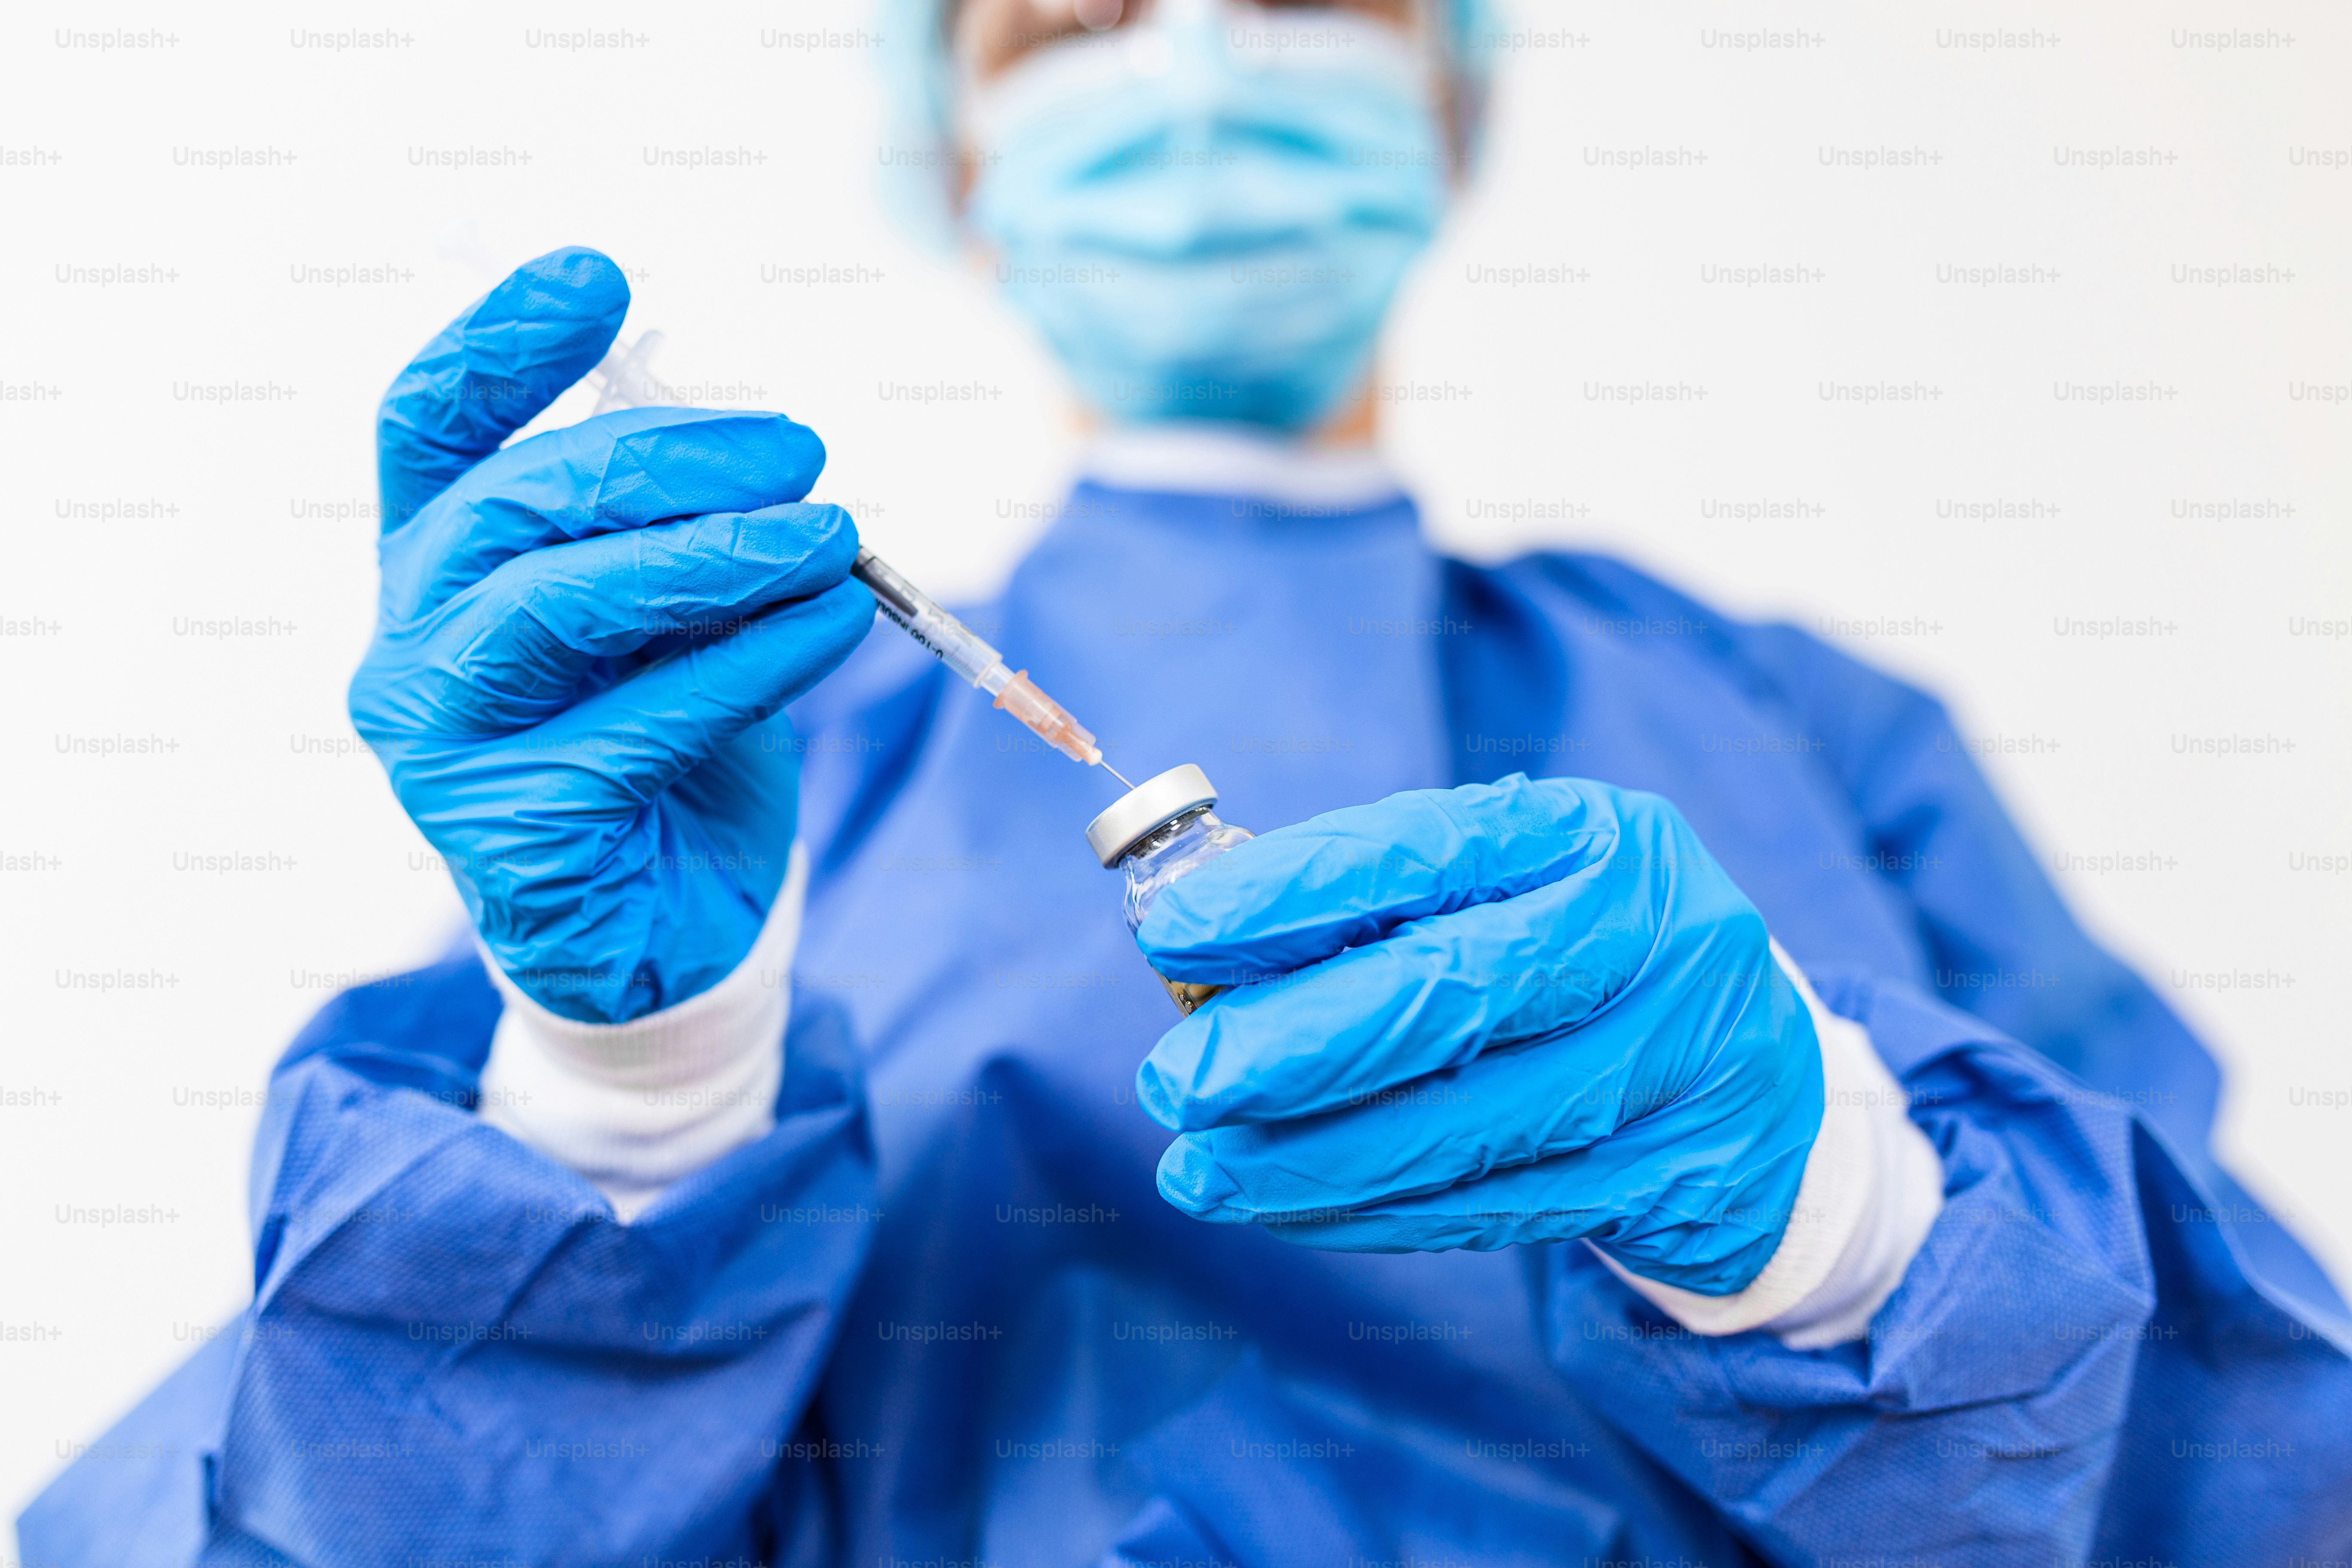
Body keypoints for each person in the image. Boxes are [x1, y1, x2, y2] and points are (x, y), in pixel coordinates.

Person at [23, 0, 2352, 1560]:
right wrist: (636, 1099)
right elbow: (317, 1507)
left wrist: (1842, 1226)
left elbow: (2265, 1477)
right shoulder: (734, 767)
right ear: (958, 140)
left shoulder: (1796, 728)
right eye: (1081, 12)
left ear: (1444, 93)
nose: (1205, 59)